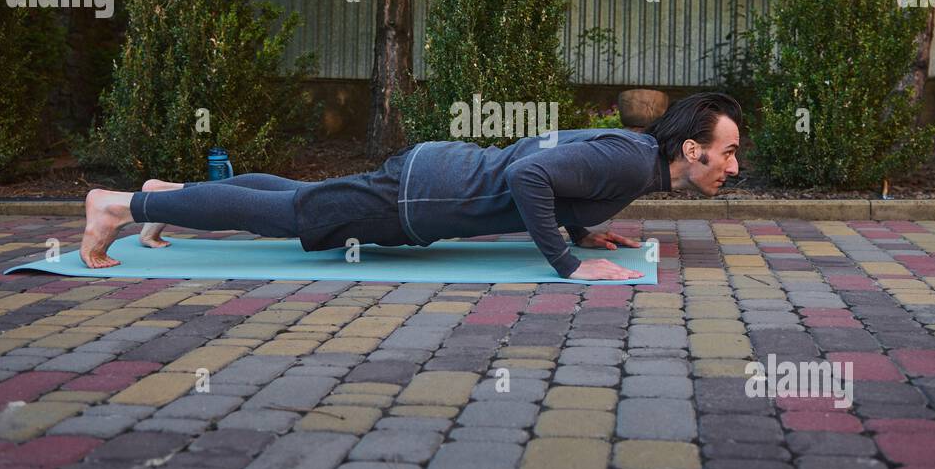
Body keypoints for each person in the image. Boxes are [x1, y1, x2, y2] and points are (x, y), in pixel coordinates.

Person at [78, 91, 742, 280]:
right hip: (426, 197)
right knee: (293, 217)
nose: (733, 166)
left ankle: (167, 195)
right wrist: (569, 263)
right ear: (693, 151)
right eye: (728, 152)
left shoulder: (632, 156)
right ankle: (119, 206)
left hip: (435, 176)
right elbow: (529, 172)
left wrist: (581, 228)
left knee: (297, 197)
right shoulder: (631, 161)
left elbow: (557, 175)